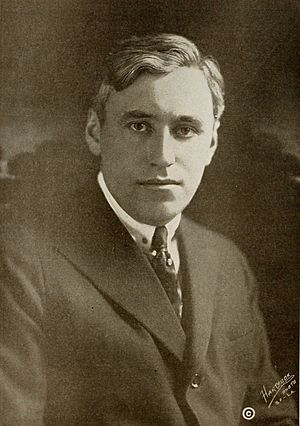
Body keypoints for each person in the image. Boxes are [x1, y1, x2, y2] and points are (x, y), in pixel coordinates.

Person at [0, 33, 297, 425]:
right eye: (140, 126)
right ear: (94, 132)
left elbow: (267, 412)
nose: (162, 157)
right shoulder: (21, 260)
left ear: (211, 143)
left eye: (185, 129)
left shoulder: (225, 261)